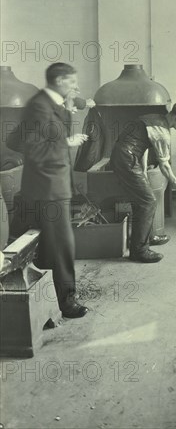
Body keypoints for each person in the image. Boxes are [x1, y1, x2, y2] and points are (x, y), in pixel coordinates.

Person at [13, 63, 89, 318]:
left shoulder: (53, 104)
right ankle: (67, 303)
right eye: (72, 81)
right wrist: (66, 142)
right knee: (62, 247)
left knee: (46, 248)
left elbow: (15, 140)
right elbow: (33, 149)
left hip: (51, 187)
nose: (76, 86)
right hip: (49, 190)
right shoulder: (39, 106)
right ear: (59, 81)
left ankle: (42, 304)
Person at [110, 103, 176, 263]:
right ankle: (139, 251)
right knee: (148, 202)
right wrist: (174, 180)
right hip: (126, 158)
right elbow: (164, 164)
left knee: (140, 202)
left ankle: (147, 237)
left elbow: (144, 146)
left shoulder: (154, 119)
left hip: (124, 155)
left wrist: (142, 170)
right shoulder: (162, 131)